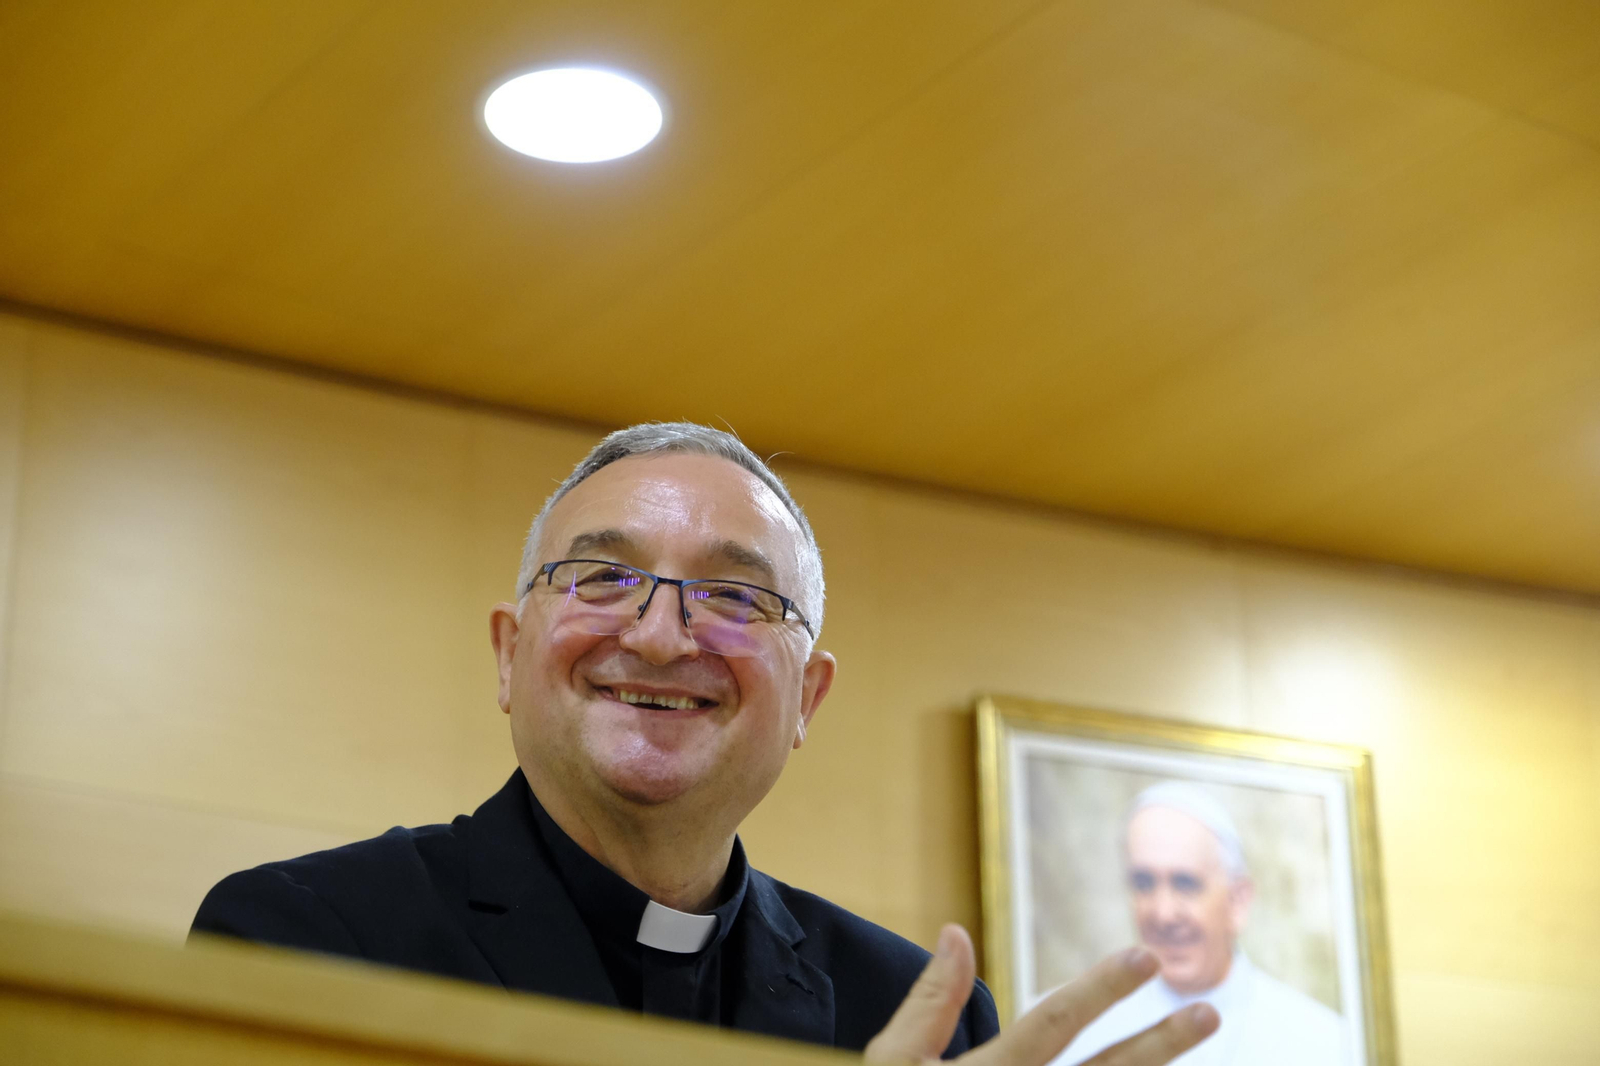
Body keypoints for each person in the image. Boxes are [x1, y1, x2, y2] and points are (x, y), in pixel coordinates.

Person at [193, 422, 1219, 1064]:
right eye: (601, 577)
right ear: (509, 655)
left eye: (734, 595)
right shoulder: (305, 938)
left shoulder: (914, 1012)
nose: (658, 633)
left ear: (808, 695)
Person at [1053, 782, 1346, 1066]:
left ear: (1237, 901)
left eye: (1185, 883)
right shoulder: (1068, 1032)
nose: (1163, 913)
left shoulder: (1324, 1040)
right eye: (1143, 883)